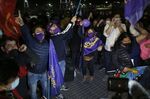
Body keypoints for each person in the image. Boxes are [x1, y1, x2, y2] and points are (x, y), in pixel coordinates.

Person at [15, 12, 49, 99]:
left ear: (45, 34)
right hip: (32, 73)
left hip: (44, 72)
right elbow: (26, 33)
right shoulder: (31, 42)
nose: (40, 32)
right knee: (33, 92)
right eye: (37, 31)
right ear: (33, 35)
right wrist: (22, 23)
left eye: (42, 31)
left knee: (46, 90)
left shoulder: (49, 44)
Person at [47, 16, 76, 91]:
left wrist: (72, 25)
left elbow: (69, 35)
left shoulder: (58, 35)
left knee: (61, 75)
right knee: (56, 77)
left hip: (62, 59)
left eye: (55, 25)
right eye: (53, 26)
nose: (56, 26)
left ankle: (61, 85)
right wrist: (71, 22)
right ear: (50, 31)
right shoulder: (54, 38)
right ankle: (57, 91)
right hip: (56, 62)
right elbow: (65, 33)